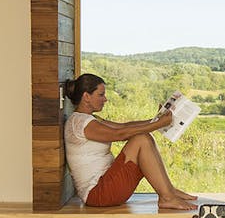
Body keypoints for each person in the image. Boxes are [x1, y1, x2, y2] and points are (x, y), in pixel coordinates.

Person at [62, 73, 198, 210]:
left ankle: (169, 191)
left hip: (106, 184)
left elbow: (124, 126)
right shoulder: (79, 123)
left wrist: (157, 121)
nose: (105, 99)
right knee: (141, 139)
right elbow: (120, 134)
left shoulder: (89, 119)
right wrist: (158, 124)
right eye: (101, 94)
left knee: (143, 137)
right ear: (86, 97)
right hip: (98, 194)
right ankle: (167, 197)